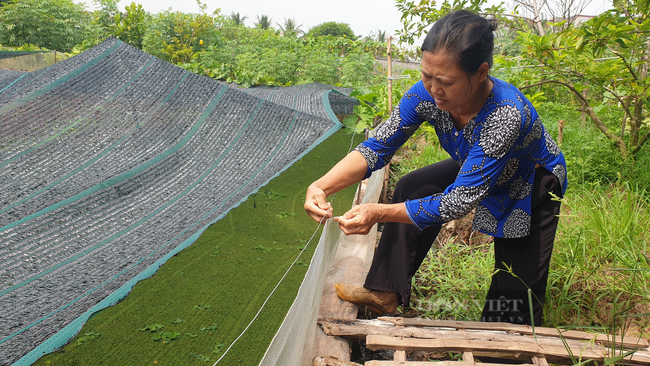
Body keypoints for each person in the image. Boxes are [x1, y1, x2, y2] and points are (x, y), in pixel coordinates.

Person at [304, 10, 566, 326]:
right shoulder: (424, 94)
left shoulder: (505, 114)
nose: (433, 89)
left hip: (529, 180)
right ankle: (385, 292)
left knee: (511, 295)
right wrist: (321, 186)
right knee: (414, 186)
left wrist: (379, 212)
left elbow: (459, 201)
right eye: (427, 75)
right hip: (477, 164)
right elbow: (377, 147)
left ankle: (501, 350)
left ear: (481, 72)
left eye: (445, 81)